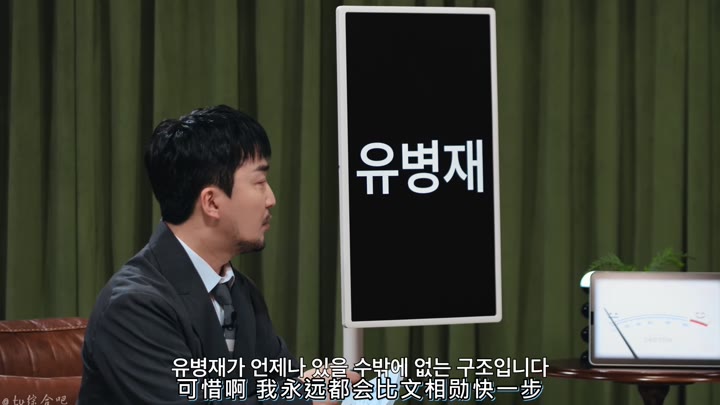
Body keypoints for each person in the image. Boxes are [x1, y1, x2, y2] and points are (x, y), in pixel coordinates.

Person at [78, 105, 356, 404]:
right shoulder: (133, 306)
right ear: (211, 202)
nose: (271, 199)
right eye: (259, 183)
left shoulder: (239, 290)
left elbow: (281, 383)